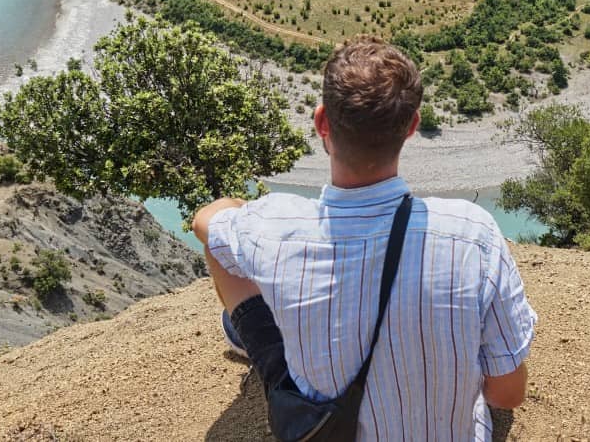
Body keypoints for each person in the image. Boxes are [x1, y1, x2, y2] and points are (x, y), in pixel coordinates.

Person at [193, 37, 536, 441]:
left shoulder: (274, 229)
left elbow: (205, 221)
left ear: (322, 122)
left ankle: (257, 343)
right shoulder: (473, 233)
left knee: (224, 251)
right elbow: (507, 394)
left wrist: (238, 206)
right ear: (411, 126)